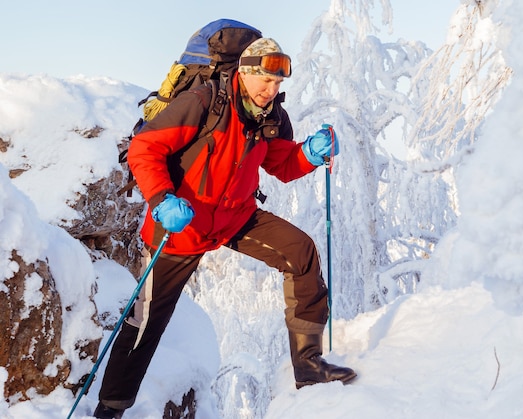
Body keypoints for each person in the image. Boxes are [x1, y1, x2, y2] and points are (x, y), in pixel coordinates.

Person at [93, 37, 356, 418]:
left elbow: (282, 165)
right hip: (182, 224)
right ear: (245, 73)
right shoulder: (204, 103)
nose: (272, 90)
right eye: (265, 80)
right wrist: (162, 200)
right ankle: (110, 408)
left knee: (300, 252)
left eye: (278, 83)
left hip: (234, 217)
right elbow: (145, 148)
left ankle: (309, 367)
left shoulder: (271, 116)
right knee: (148, 320)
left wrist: (308, 154)